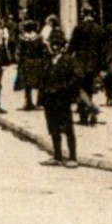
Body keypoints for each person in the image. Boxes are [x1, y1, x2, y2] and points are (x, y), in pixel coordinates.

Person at [39, 32, 82, 167]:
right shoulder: (48, 60)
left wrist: (66, 87)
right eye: (53, 44)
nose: (55, 47)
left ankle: (72, 157)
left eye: (58, 44)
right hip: (50, 98)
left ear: (63, 46)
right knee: (53, 128)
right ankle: (57, 156)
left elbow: (78, 75)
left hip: (62, 98)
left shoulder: (69, 60)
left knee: (67, 128)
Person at [69, 8, 105, 124]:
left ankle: (87, 112)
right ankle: (89, 112)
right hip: (94, 62)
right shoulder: (99, 29)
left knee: (79, 87)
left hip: (80, 62)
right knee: (89, 88)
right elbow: (102, 49)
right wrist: (101, 65)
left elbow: (72, 46)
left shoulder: (79, 28)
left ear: (83, 14)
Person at [17, 20, 45, 111]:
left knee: (27, 84)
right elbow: (42, 50)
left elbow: (19, 52)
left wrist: (19, 60)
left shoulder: (22, 38)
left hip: (26, 62)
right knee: (37, 82)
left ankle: (28, 102)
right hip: (37, 62)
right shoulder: (38, 37)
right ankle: (39, 101)